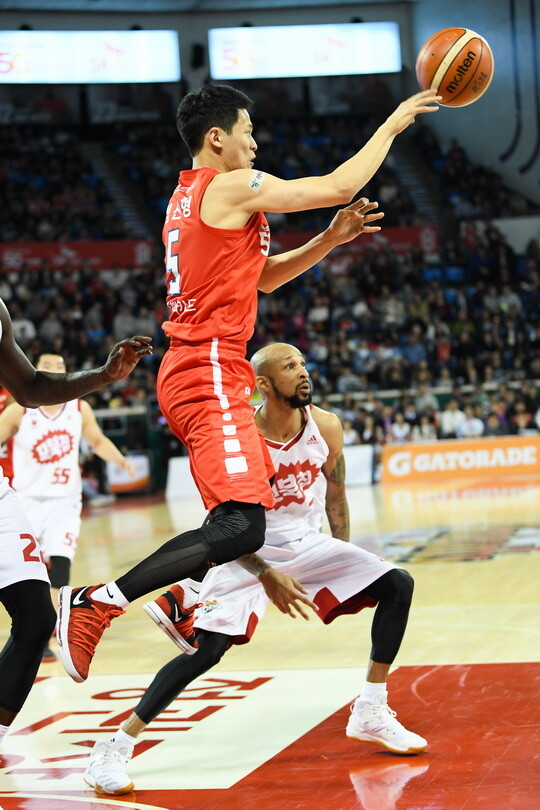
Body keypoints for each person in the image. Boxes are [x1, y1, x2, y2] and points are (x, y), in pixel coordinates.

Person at [57, 83, 441, 685]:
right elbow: (338, 186)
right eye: (248, 132)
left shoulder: (190, 198)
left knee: (241, 522)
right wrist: (392, 124)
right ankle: (98, 602)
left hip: (209, 370)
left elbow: (261, 278)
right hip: (207, 367)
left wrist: (328, 241)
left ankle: (183, 600)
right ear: (217, 138)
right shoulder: (229, 186)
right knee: (241, 525)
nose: (255, 144)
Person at [82, 343, 427, 795]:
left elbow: (336, 494)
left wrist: (339, 558)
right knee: (207, 651)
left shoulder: (325, 425)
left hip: (307, 542)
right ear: (262, 384)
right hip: (244, 550)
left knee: (398, 583)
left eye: (303, 363)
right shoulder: (236, 437)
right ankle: (113, 747)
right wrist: (265, 574)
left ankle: (371, 708)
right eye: (290, 366)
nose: (303, 372)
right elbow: (221, 525)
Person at [0, 297, 152, 742]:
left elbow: (30, 386)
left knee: (36, 620)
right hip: (30, 494)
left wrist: (103, 375)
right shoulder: (15, 418)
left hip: (45, 499)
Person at [0, 352, 136, 662]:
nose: (54, 370)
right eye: (47, 366)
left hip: (65, 501)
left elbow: (97, 441)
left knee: (60, 565)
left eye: (59, 366)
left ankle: (51, 632)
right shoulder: (20, 408)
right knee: (30, 571)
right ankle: (30, 629)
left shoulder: (79, 407)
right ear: (34, 371)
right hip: (27, 501)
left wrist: (121, 461)